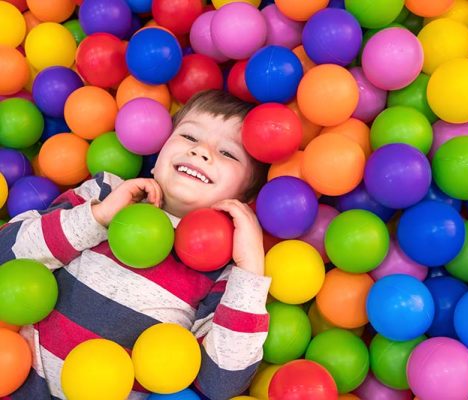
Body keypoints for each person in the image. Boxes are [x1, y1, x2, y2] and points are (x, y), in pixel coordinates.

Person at [0, 90, 271, 400]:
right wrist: (97, 218)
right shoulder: (105, 193)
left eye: (228, 153)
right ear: (156, 158)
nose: (201, 151)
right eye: (189, 136)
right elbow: (6, 252)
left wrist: (250, 272)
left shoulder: (224, 273)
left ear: (244, 198)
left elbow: (220, 383)